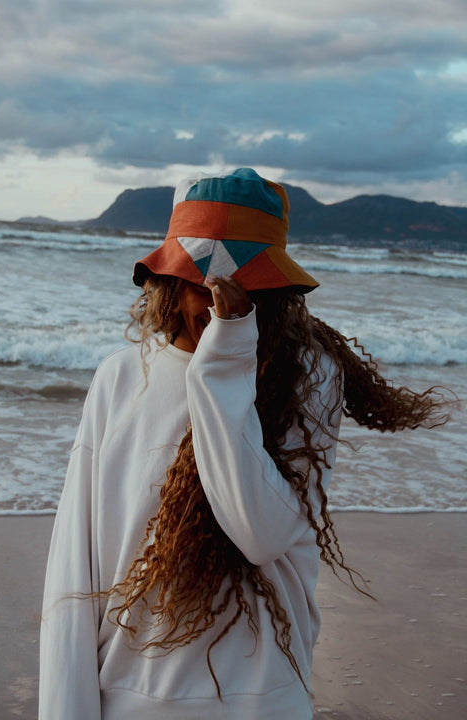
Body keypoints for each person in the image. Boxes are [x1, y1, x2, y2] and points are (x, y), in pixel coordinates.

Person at [39, 168, 444, 720]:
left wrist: (227, 360)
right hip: (128, 697)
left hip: (263, 700)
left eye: (241, 281)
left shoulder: (311, 378)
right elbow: (74, 563)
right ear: (170, 280)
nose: (216, 297)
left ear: (273, 289)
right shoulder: (119, 377)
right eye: (200, 280)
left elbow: (260, 531)